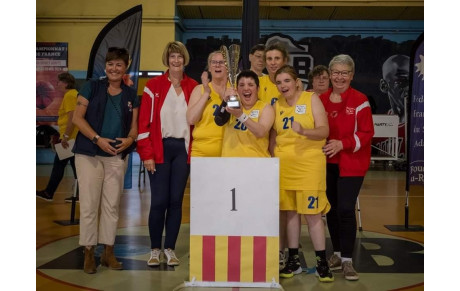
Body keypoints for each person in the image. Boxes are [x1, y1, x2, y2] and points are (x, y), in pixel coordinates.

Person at [72, 47, 139, 274]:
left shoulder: (131, 94)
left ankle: (108, 252)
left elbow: (134, 127)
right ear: (105, 66)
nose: (114, 68)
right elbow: (77, 118)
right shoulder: (91, 86)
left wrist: (130, 139)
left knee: (111, 206)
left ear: (125, 67)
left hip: (115, 156)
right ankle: (89, 252)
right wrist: (98, 139)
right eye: (110, 64)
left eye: (119, 64)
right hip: (89, 154)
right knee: (90, 205)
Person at [137, 41, 198, 267]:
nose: (176, 60)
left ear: (185, 59)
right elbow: (143, 123)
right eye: (172, 56)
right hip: (160, 150)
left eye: (180, 56)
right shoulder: (153, 85)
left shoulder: (194, 86)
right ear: (167, 59)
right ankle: (154, 249)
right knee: (159, 201)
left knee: (175, 202)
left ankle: (170, 248)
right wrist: (147, 154)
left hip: (182, 151)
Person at [270, 65, 333, 282]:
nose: (282, 86)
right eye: (279, 82)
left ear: (296, 82)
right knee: (290, 213)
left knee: (312, 214)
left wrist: (304, 131)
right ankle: (293, 260)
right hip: (284, 166)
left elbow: (324, 130)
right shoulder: (276, 104)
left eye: (286, 81)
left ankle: (321, 262)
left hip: (309, 165)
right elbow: (271, 135)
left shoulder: (311, 99)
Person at [319, 54, 374, 281]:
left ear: (351, 75)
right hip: (325, 164)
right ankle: (338, 254)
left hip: (351, 164)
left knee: (345, 209)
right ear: (329, 75)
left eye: (344, 73)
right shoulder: (320, 99)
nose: (340, 77)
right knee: (330, 210)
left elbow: (367, 134)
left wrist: (343, 144)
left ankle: (348, 261)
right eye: (336, 72)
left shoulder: (360, 100)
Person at [37, 72, 79, 202]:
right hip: (71, 138)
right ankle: (77, 195)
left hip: (70, 139)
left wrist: (65, 136)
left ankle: (49, 193)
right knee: (73, 167)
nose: (57, 84)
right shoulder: (72, 94)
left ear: (66, 83)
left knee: (59, 166)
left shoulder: (70, 95)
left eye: (59, 82)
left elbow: (72, 117)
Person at [217, 70, 274, 157]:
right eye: (241, 85)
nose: (246, 88)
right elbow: (218, 121)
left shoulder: (266, 108)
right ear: (237, 89)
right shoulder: (232, 106)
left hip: (256, 164)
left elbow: (261, 132)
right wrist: (225, 101)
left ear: (258, 89)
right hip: (230, 164)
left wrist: (240, 115)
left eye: (250, 85)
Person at [186, 50, 229, 157]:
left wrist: (226, 97)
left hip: (229, 149)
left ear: (228, 67)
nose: (217, 65)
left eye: (221, 62)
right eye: (214, 62)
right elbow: (191, 119)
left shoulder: (235, 89)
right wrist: (206, 94)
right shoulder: (199, 89)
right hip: (202, 151)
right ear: (209, 67)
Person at [379, 54, 409, 123]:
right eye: (401, 81)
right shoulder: (381, 124)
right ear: (384, 86)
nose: (409, 88)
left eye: (413, 81)